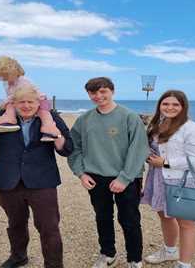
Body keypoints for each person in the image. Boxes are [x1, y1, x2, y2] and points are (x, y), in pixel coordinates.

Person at [0, 84, 73, 268]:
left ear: (38, 103)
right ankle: (18, 257)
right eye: (21, 102)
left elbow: (67, 149)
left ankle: (54, 265)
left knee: (49, 228)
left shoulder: (51, 118)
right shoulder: (2, 117)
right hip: (8, 181)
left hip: (42, 182)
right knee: (15, 223)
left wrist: (56, 135)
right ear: (13, 103)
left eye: (30, 102)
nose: (26, 106)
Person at [68, 77, 149, 268]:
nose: (99, 96)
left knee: (129, 219)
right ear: (89, 94)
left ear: (112, 91)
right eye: (93, 93)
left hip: (127, 177)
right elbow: (74, 148)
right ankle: (108, 253)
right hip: (95, 177)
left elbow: (139, 149)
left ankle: (135, 259)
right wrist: (81, 173)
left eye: (103, 91)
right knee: (102, 217)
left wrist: (124, 178)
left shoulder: (129, 117)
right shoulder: (84, 119)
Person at [141, 90, 195, 268]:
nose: (169, 107)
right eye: (165, 104)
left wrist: (166, 163)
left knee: (186, 223)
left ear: (183, 106)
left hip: (181, 179)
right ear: (159, 105)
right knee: (164, 215)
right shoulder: (158, 124)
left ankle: (184, 264)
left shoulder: (192, 128)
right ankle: (170, 251)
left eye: (175, 104)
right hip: (158, 176)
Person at [0, 56, 60, 141]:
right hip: (22, 101)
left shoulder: (23, 81)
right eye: (0, 76)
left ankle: (48, 130)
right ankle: (10, 119)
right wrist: (7, 103)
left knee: (45, 115)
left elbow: (19, 95)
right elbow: (13, 98)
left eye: (5, 75)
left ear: (13, 72)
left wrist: (6, 101)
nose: (2, 78)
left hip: (40, 101)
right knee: (10, 105)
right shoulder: (6, 83)